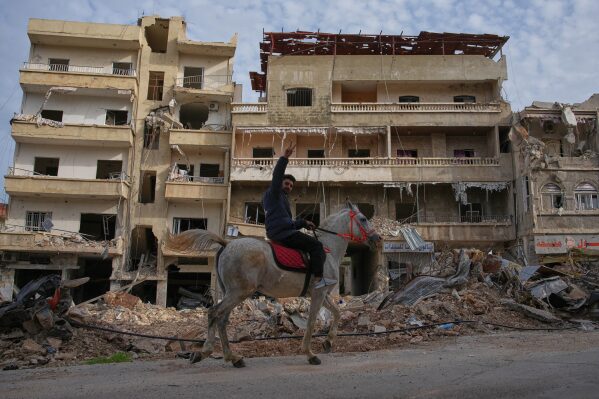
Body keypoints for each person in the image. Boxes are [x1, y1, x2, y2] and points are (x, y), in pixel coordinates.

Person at [262, 144, 336, 289]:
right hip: (282, 234)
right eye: (287, 183)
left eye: (291, 186)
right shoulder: (274, 193)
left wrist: (303, 223)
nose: (289, 187)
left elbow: (286, 222)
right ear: (280, 183)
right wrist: (284, 158)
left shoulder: (280, 199)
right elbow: (277, 175)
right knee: (316, 245)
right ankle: (318, 279)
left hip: (281, 231)